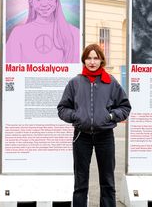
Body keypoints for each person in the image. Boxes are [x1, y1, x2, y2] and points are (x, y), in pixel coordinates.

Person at [57, 44, 131, 207]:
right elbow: (62, 108)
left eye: (95, 58)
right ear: (84, 60)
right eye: (88, 58)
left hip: (105, 136)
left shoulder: (111, 82)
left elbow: (125, 107)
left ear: (101, 60)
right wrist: (76, 117)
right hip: (81, 136)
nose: (92, 61)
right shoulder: (75, 83)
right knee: (80, 182)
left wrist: (111, 116)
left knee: (107, 182)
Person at [7, 0, 79, 63]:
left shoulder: (74, 33)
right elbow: (12, 70)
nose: (44, 3)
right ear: (31, 2)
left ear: (56, 0)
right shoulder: (18, 33)